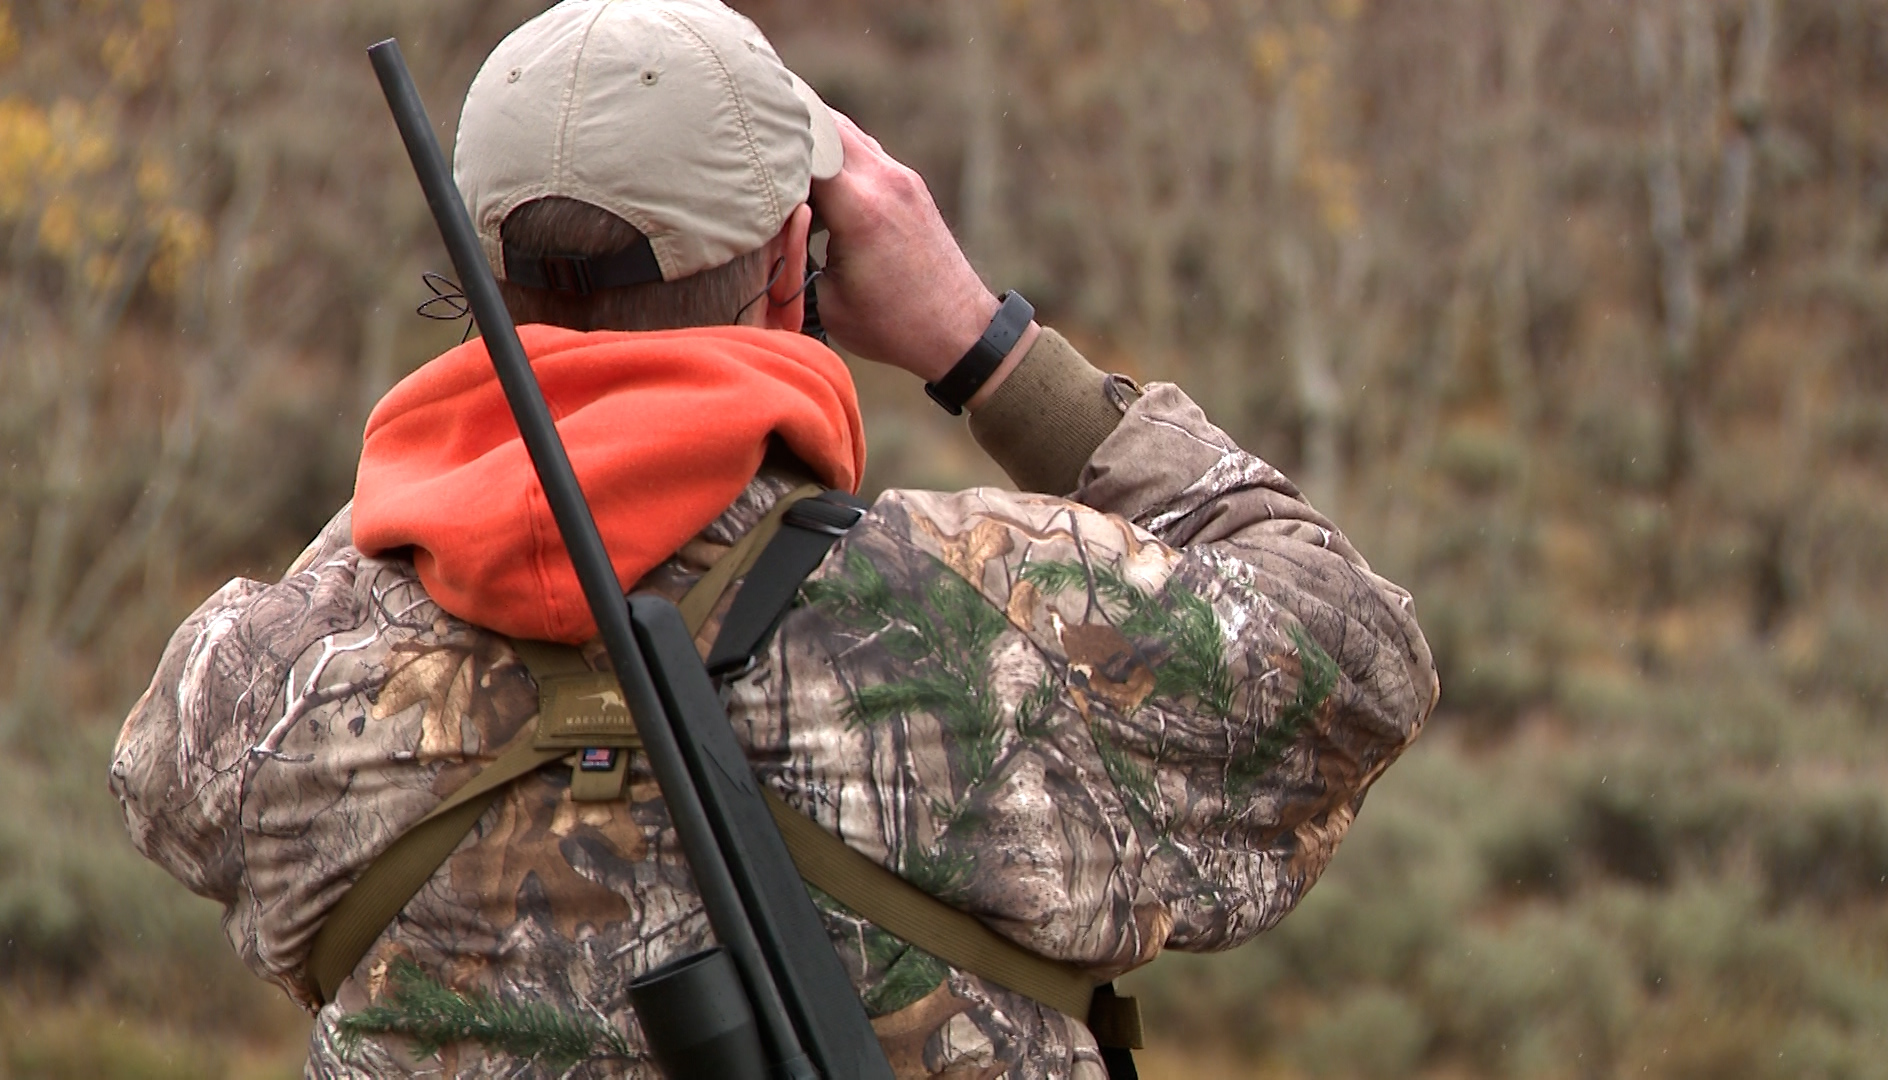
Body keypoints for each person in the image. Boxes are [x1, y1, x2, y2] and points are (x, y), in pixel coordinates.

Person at [110, 1, 1438, 1076]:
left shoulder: (262, 693)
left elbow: (164, 780)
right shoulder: (994, 618)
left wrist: (473, 413)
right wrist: (985, 343)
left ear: (474, 271)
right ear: (803, 251)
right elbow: (1355, 655)